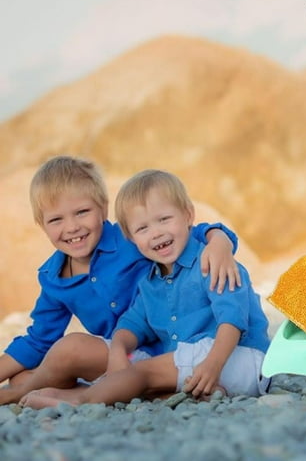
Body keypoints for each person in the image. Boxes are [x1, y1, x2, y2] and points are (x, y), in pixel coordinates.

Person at [0, 156, 240, 405]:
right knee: (21, 376)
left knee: (68, 351)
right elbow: (39, 340)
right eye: (55, 220)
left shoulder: (132, 238)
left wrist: (219, 240)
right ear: (41, 225)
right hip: (116, 357)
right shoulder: (54, 278)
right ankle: (158, 393)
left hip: (168, 349)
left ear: (103, 209)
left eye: (82, 212)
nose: (71, 227)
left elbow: (187, 233)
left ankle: (20, 395)